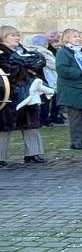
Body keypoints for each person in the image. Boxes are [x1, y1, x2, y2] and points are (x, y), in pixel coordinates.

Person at [0, 26, 47, 167]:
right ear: (3, 37)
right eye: (13, 35)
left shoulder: (23, 51)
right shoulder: (2, 53)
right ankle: (0, 157)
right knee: (3, 127)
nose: (17, 37)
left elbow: (37, 66)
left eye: (17, 35)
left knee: (31, 124)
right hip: (10, 94)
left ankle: (33, 154)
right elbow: (7, 70)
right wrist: (23, 67)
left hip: (28, 93)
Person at [55, 28, 82, 150]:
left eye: (79, 36)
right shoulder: (63, 52)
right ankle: (75, 141)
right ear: (67, 38)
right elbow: (62, 69)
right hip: (71, 89)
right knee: (75, 117)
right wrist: (80, 72)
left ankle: (81, 139)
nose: (78, 38)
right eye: (74, 36)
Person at [42, 31, 65, 125]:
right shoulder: (46, 52)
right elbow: (53, 65)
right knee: (48, 98)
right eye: (53, 42)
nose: (56, 44)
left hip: (57, 77)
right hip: (49, 77)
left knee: (57, 98)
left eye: (57, 41)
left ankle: (55, 115)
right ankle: (47, 117)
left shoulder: (59, 50)